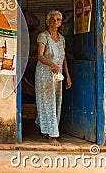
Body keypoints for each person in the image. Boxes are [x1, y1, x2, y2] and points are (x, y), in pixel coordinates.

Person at [35, 10, 72, 146]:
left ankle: (45, 129)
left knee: (56, 102)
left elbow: (63, 59)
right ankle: (52, 135)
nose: (55, 22)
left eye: (58, 20)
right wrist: (51, 64)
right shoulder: (43, 36)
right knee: (47, 103)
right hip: (44, 74)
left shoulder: (61, 39)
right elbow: (39, 55)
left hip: (57, 75)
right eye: (53, 20)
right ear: (47, 22)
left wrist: (67, 76)